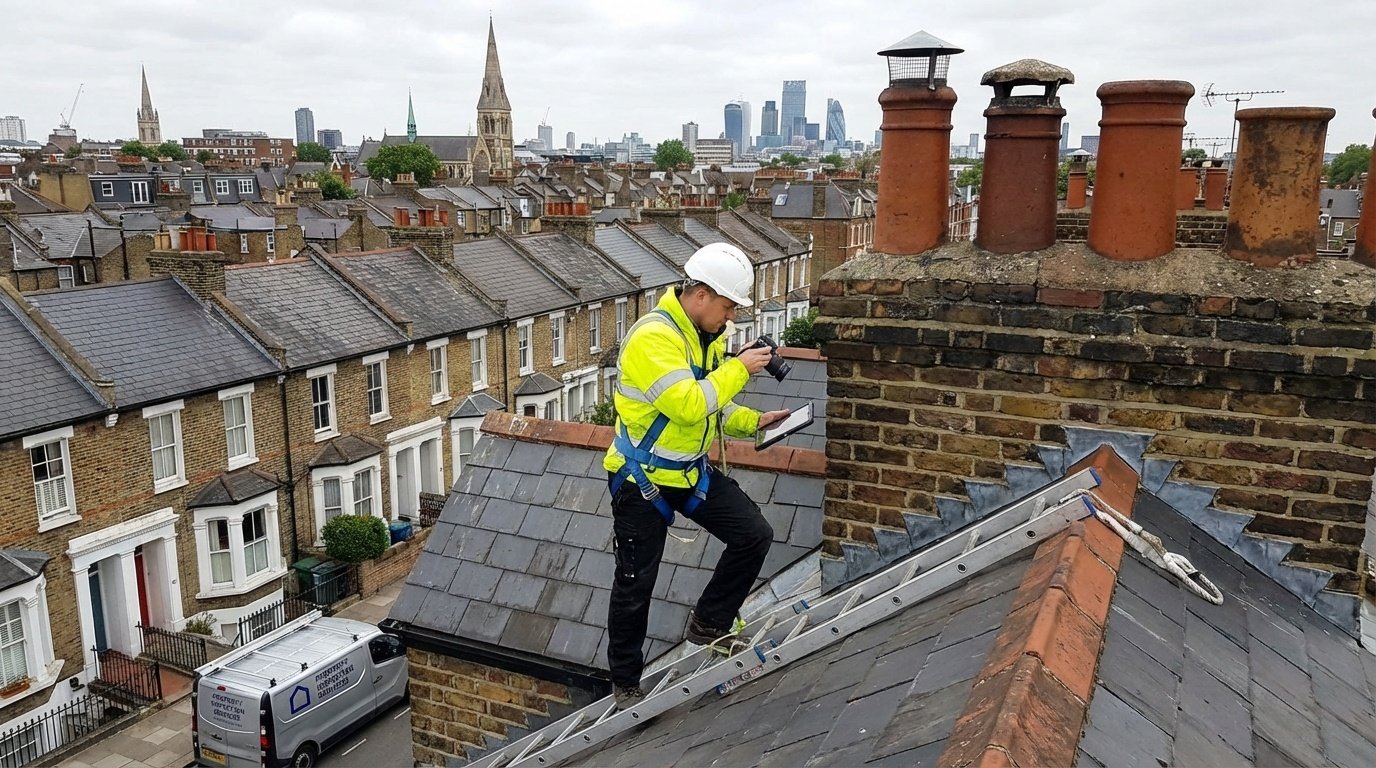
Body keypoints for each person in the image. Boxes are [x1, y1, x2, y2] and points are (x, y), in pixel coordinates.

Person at [603, 242, 790, 709]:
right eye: (727, 306)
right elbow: (687, 405)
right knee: (635, 582)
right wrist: (738, 369)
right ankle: (625, 683)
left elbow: (712, 406)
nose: (729, 318)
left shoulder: (703, 338)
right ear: (702, 294)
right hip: (641, 479)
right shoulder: (653, 339)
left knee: (754, 534)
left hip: (688, 473)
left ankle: (710, 621)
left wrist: (755, 422)